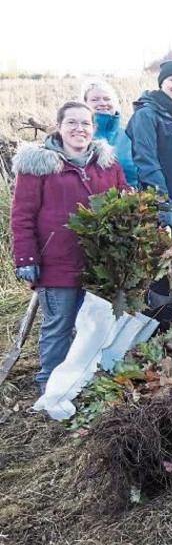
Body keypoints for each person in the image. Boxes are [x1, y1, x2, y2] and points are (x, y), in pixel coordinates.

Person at [11, 102, 128, 389]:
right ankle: (49, 384)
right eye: (72, 123)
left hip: (99, 262)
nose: (79, 129)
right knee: (59, 326)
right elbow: (22, 215)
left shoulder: (106, 164)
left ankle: (83, 380)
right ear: (59, 126)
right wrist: (26, 258)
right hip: (56, 262)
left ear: (94, 128)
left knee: (93, 324)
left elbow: (124, 200)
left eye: (85, 123)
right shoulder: (38, 165)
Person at [127, 61, 172, 325]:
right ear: (161, 83)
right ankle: (155, 327)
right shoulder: (146, 115)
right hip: (160, 204)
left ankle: (171, 324)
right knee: (159, 270)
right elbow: (147, 163)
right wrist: (162, 205)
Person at [81, 78, 137, 187]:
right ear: (84, 104)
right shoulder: (78, 136)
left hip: (130, 200)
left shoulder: (129, 135)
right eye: (95, 100)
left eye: (107, 99)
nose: (102, 103)